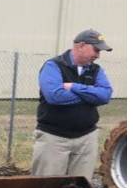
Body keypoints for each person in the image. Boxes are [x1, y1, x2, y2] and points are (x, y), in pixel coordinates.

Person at [30, 28, 115, 177]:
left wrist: (75, 87)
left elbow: (105, 96)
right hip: (54, 139)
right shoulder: (53, 66)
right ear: (80, 46)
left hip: (86, 139)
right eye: (96, 50)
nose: (98, 55)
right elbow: (55, 96)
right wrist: (90, 95)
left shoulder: (96, 70)